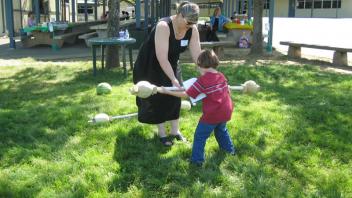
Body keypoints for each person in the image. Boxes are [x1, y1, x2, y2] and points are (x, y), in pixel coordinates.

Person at [132, 1, 201, 146]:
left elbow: (197, 56)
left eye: (193, 23)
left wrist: (208, 75)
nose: (190, 26)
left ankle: (175, 131)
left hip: (172, 62)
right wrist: (172, 78)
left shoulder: (192, 29)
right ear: (180, 15)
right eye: (188, 22)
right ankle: (162, 133)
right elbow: (162, 58)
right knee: (158, 97)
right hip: (151, 63)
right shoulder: (164, 26)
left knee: (176, 95)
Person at [159, 49, 235, 166]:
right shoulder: (221, 76)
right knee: (221, 130)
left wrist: (166, 91)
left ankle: (197, 161)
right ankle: (230, 151)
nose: (198, 69)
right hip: (226, 111)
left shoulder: (203, 80)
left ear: (202, 65)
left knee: (200, 136)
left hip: (212, 115)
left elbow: (185, 95)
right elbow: (228, 91)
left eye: (198, 66)